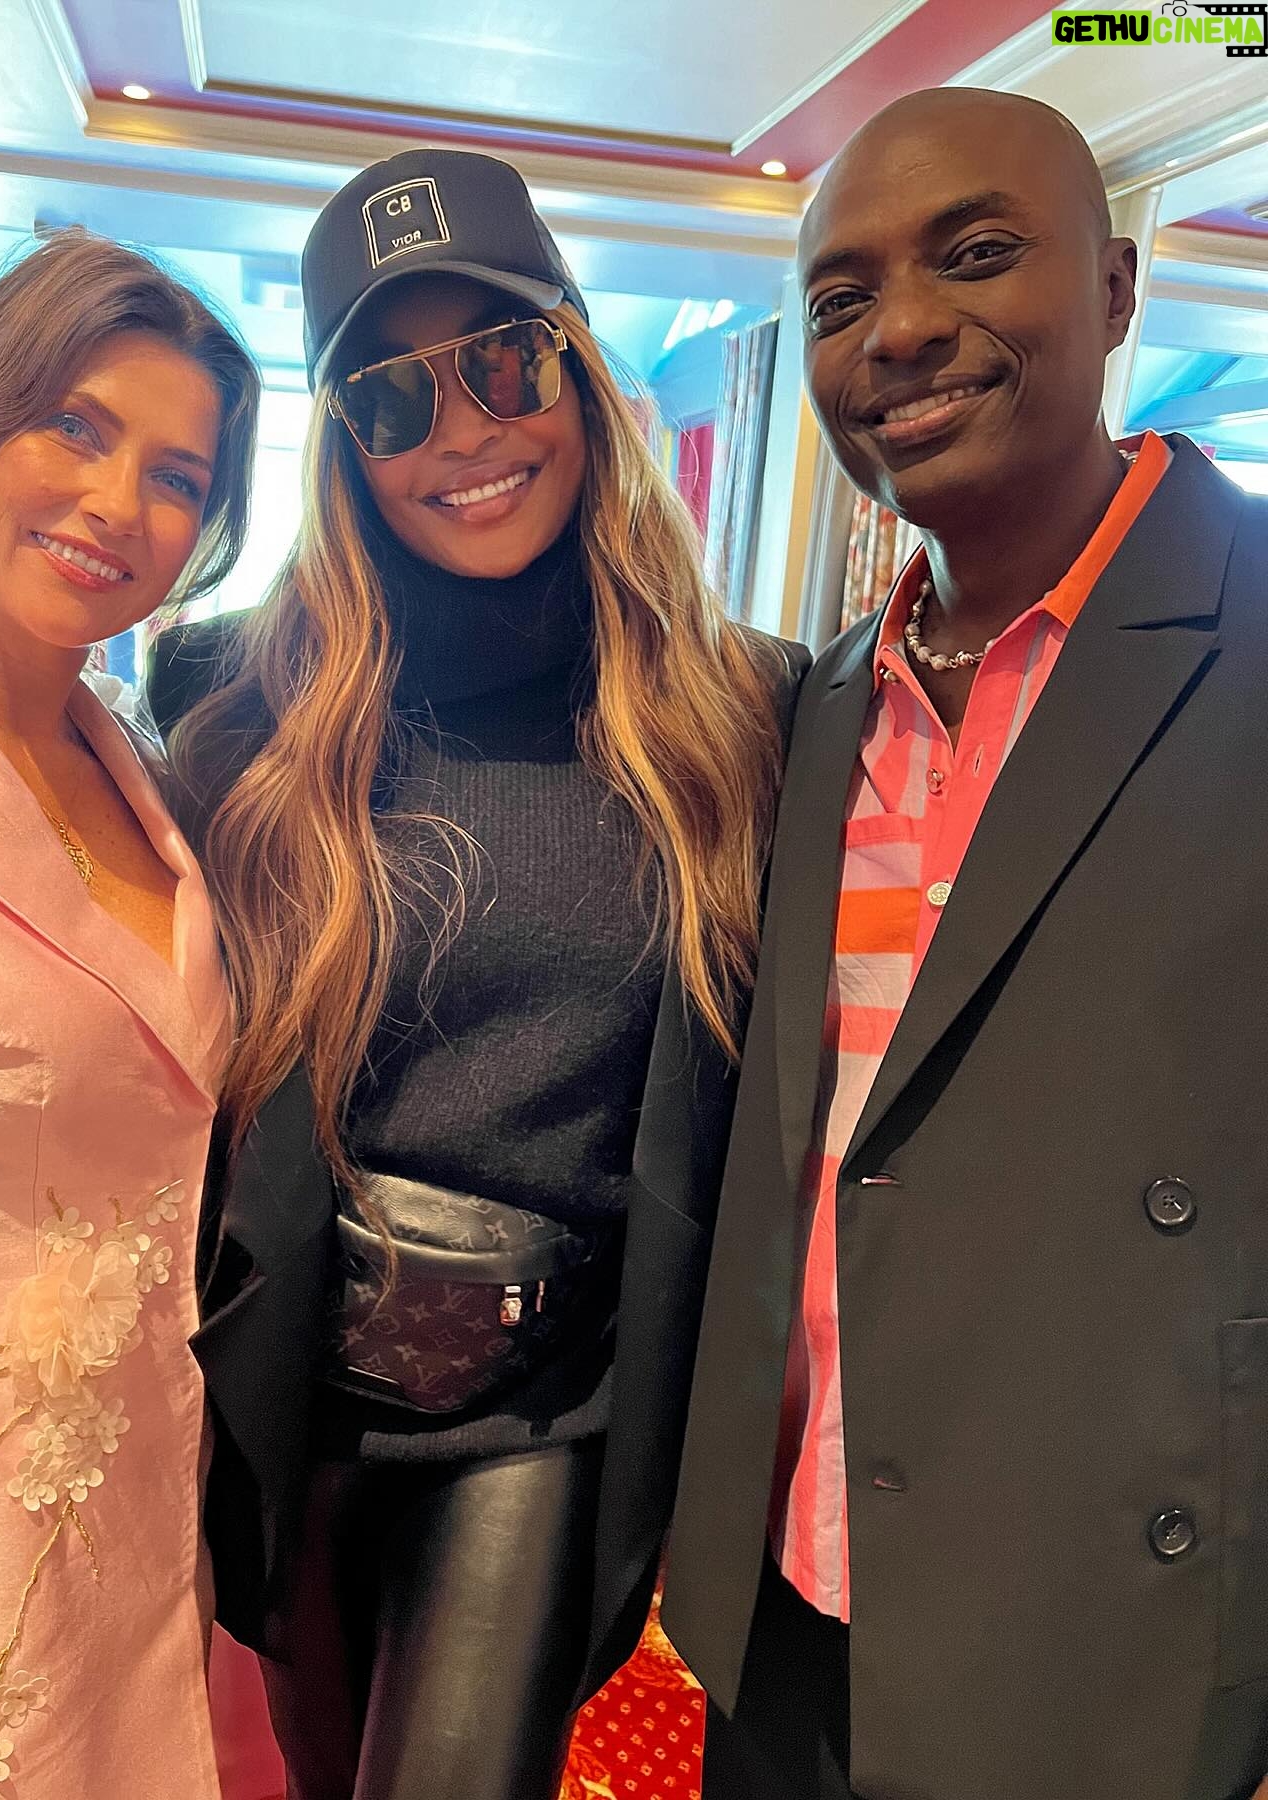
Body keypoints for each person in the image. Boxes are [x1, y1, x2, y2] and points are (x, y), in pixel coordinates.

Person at [149, 147, 808, 1800]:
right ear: (343, 449)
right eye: (390, 398)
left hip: (541, 1410)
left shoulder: (742, 715)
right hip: (289, 1386)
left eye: (503, 362)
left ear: (575, 368)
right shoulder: (237, 703)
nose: (461, 432)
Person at [661, 84, 1268, 1800]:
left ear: (1120, 289)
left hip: (1106, 1637)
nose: (902, 331)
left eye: (979, 255)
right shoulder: (818, 700)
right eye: (840, 298)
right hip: (791, 1596)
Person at [0, 226, 259, 1798]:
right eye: (74, 427)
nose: (115, 503)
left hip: (137, 1549)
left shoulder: (141, 768)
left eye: (176, 476)